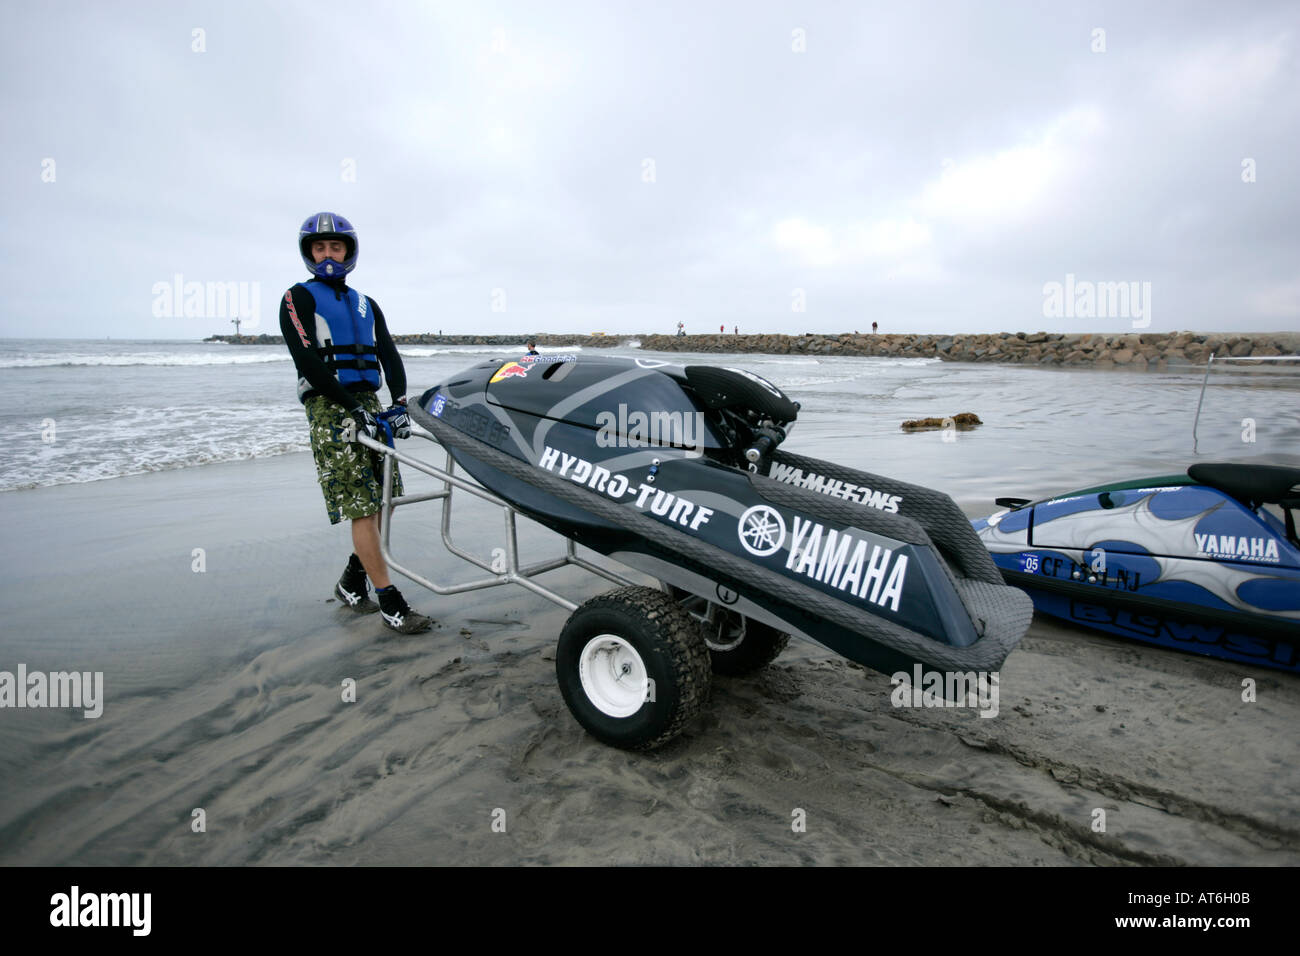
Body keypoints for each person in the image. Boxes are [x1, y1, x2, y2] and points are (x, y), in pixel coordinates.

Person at [280, 211, 433, 635]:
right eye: (319, 247)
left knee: (382, 497)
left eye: (336, 246)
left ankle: (352, 581)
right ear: (308, 253)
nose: (328, 254)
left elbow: (388, 353)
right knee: (362, 506)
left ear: (349, 251)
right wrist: (350, 405)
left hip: (369, 402)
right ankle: (389, 601)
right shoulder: (297, 298)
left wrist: (398, 402)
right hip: (330, 405)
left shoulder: (367, 303)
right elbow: (307, 358)